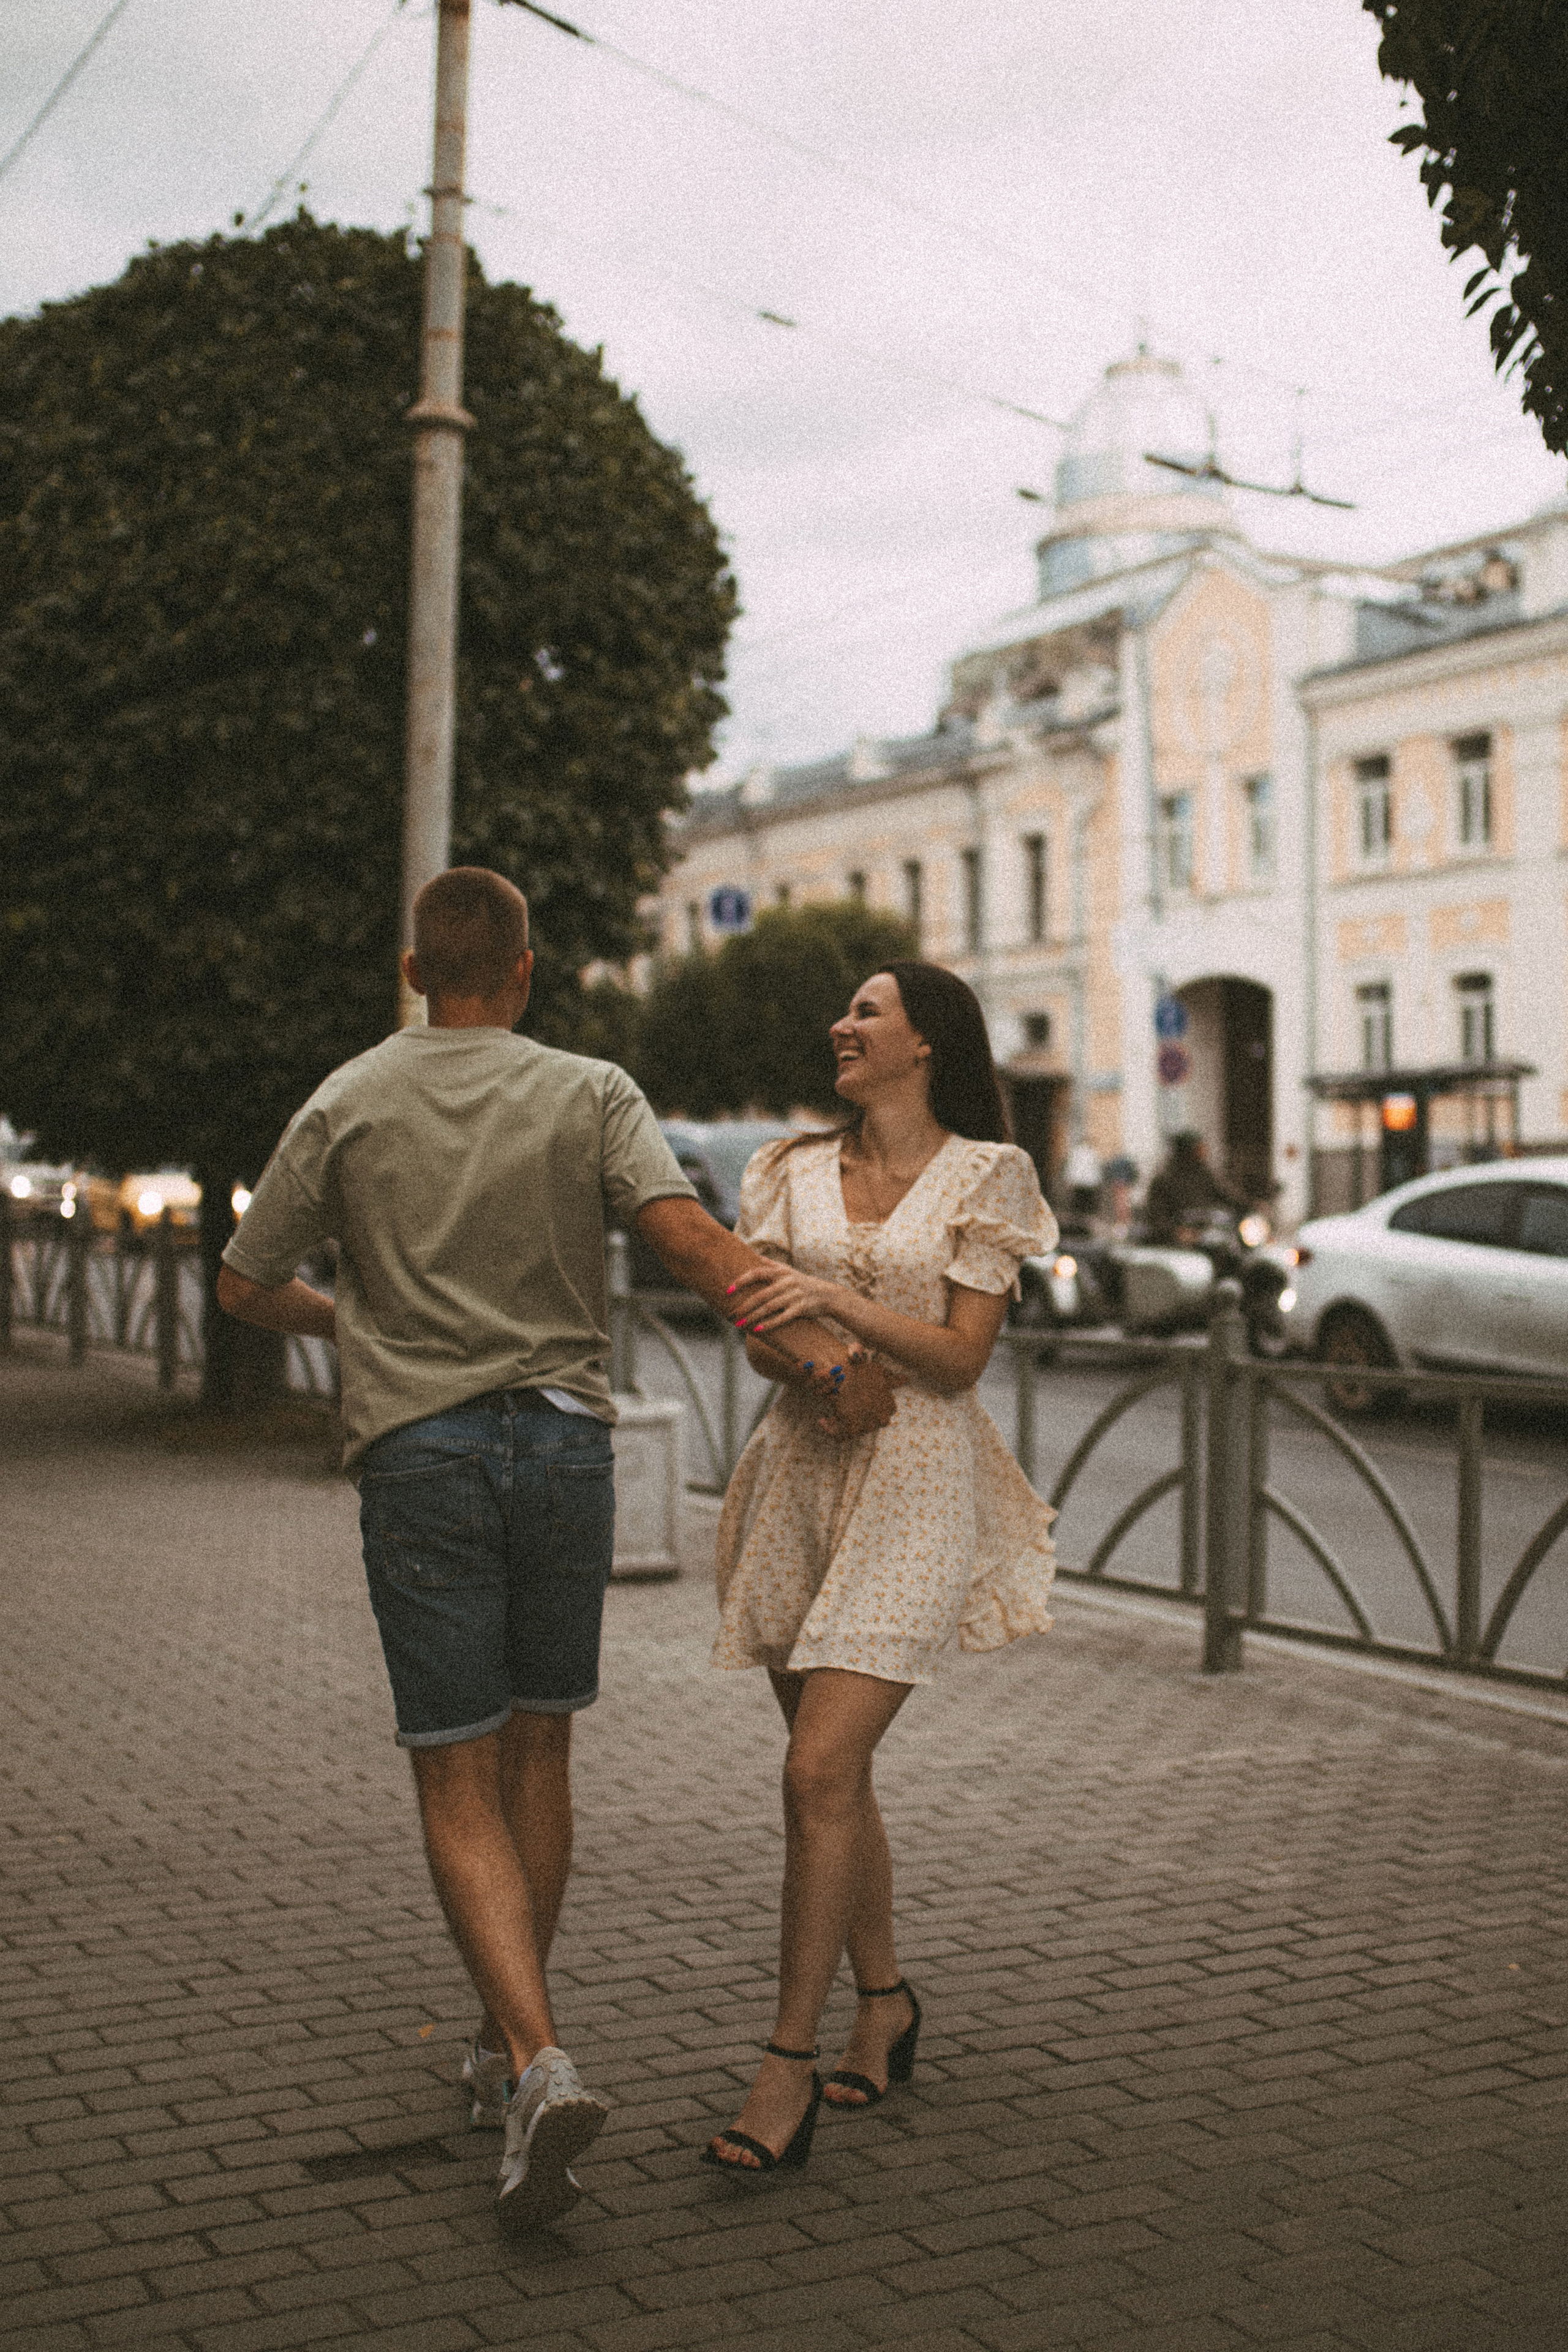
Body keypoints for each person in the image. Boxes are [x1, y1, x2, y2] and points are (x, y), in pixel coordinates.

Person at [215, 867, 897, 2231]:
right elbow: (692, 1246)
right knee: (540, 1751)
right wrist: (827, 1352)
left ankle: (534, 2059)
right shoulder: (591, 1090)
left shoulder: (348, 1098)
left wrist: (355, 1323)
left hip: (422, 1455)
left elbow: (243, 1281)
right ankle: (501, 2039)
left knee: (452, 1770)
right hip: (563, 1450)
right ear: (525, 973)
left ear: (416, 973)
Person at [699, 960, 1058, 2177]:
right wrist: (814, 1358)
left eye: (866, 1012)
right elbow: (755, 1324)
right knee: (835, 1780)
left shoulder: (986, 1175)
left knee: (814, 1769)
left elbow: (960, 1359)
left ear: (925, 1044)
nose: (839, 1025)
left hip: (916, 1482)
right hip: (800, 1472)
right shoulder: (788, 1170)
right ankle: (887, 2001)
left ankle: (784, 2064)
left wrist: (836, 1311)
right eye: (844, 1010)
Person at [1144, 1131, 1243, 1245]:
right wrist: (1176, 1232)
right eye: (1198, 1149)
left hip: (1207, 1230)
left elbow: (1225, 1195)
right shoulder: (1165, 1179)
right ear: (1187, 1151)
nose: (1203, 1152)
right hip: (1179, 1240)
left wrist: (1249, 1206)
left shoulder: (1204, 1174)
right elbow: (1157, 1215)